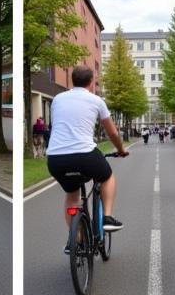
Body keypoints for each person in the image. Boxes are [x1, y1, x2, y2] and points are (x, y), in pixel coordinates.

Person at [46, 65, 128, 248]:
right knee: (107, 177)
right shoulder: (96, 101)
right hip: (84, 154)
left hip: (56, 158)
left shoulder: (57, 99)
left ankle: (75, 240)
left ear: (71, 80)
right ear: (91, 83)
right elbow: (113, 133)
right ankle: (107, 217)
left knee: (72, 196)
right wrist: (121, 149)